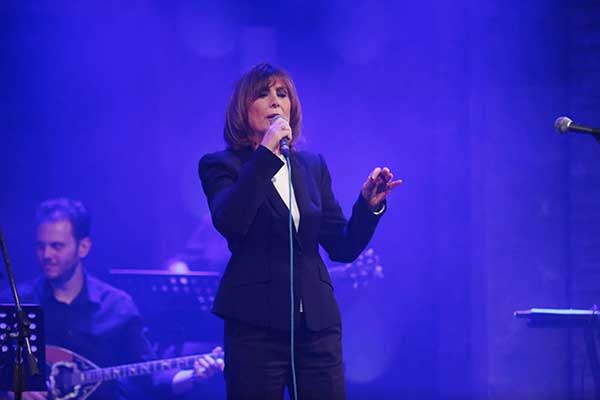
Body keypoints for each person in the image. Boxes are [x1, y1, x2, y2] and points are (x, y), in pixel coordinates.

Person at [198, 63, 401, 400]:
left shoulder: (311, 166)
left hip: (317, 327)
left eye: (283, 94)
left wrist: (368, 206)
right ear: (242, 109)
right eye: (263, 94)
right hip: (256, 327)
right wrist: (266, 153)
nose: (275, 101)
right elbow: (231, 220)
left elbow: (343, 246)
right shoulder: (221, 165)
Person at [0, 198, 222, 400]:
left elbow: (151, 379)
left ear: (83, 247)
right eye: (41, 246)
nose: (47, 255)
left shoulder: (117, 307)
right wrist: (10, 388)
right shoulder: (15, 301)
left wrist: (195, 376)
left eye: (57, 246)